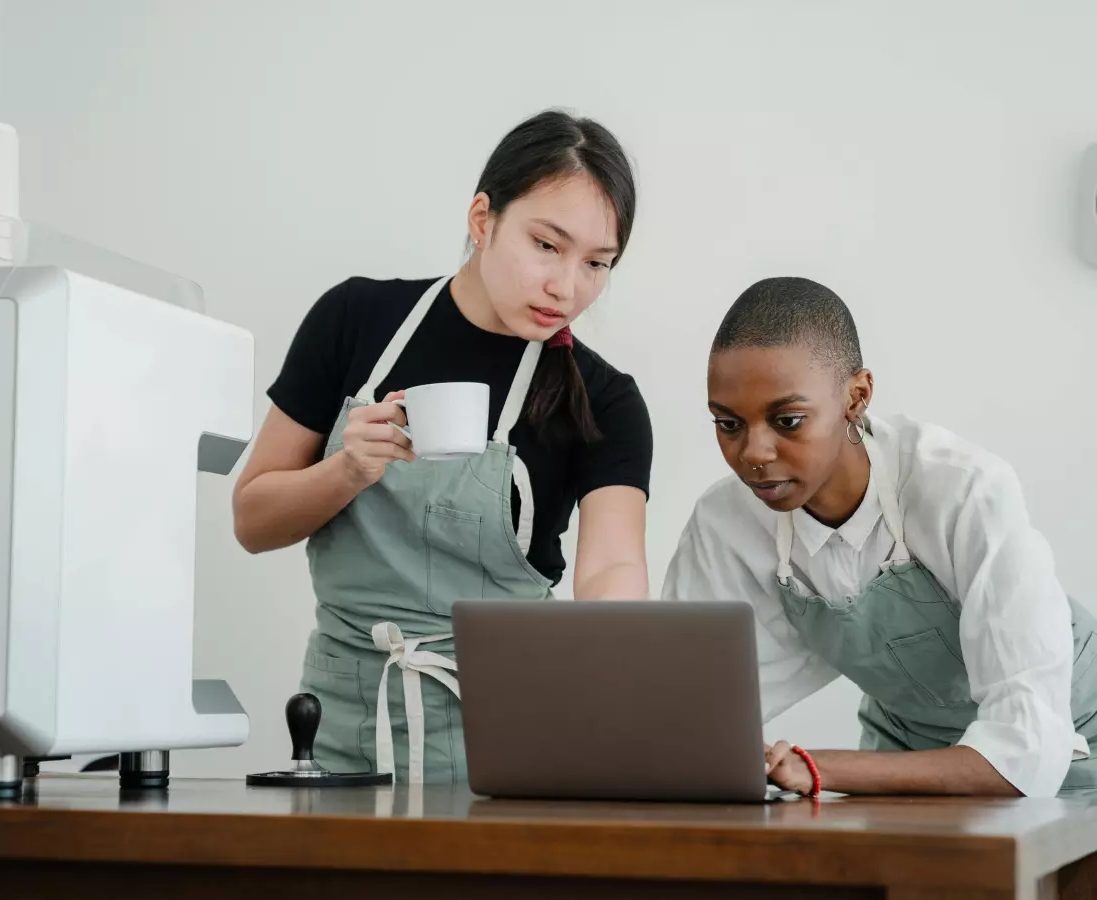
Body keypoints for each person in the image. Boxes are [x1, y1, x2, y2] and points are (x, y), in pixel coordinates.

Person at [233, 110, 653, 784]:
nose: (567, 287)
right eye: (547, 245)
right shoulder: (355, 321)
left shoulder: (605, 401)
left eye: (597, 263)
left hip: (510, 740)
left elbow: (611, 569)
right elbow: (251, 520)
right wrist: (347, 470)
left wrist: (615, 664)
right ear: (483, 220)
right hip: (341, 735)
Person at [663, 276, 1097, 798]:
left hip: (1071, 732)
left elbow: (1026, 753)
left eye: (788, 420)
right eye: (728, 424)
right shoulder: (724, 522)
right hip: (911, 749)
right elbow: (685, 712)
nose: (754, 453)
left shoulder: (962, 489)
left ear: (857, 396)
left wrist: (815, 766)